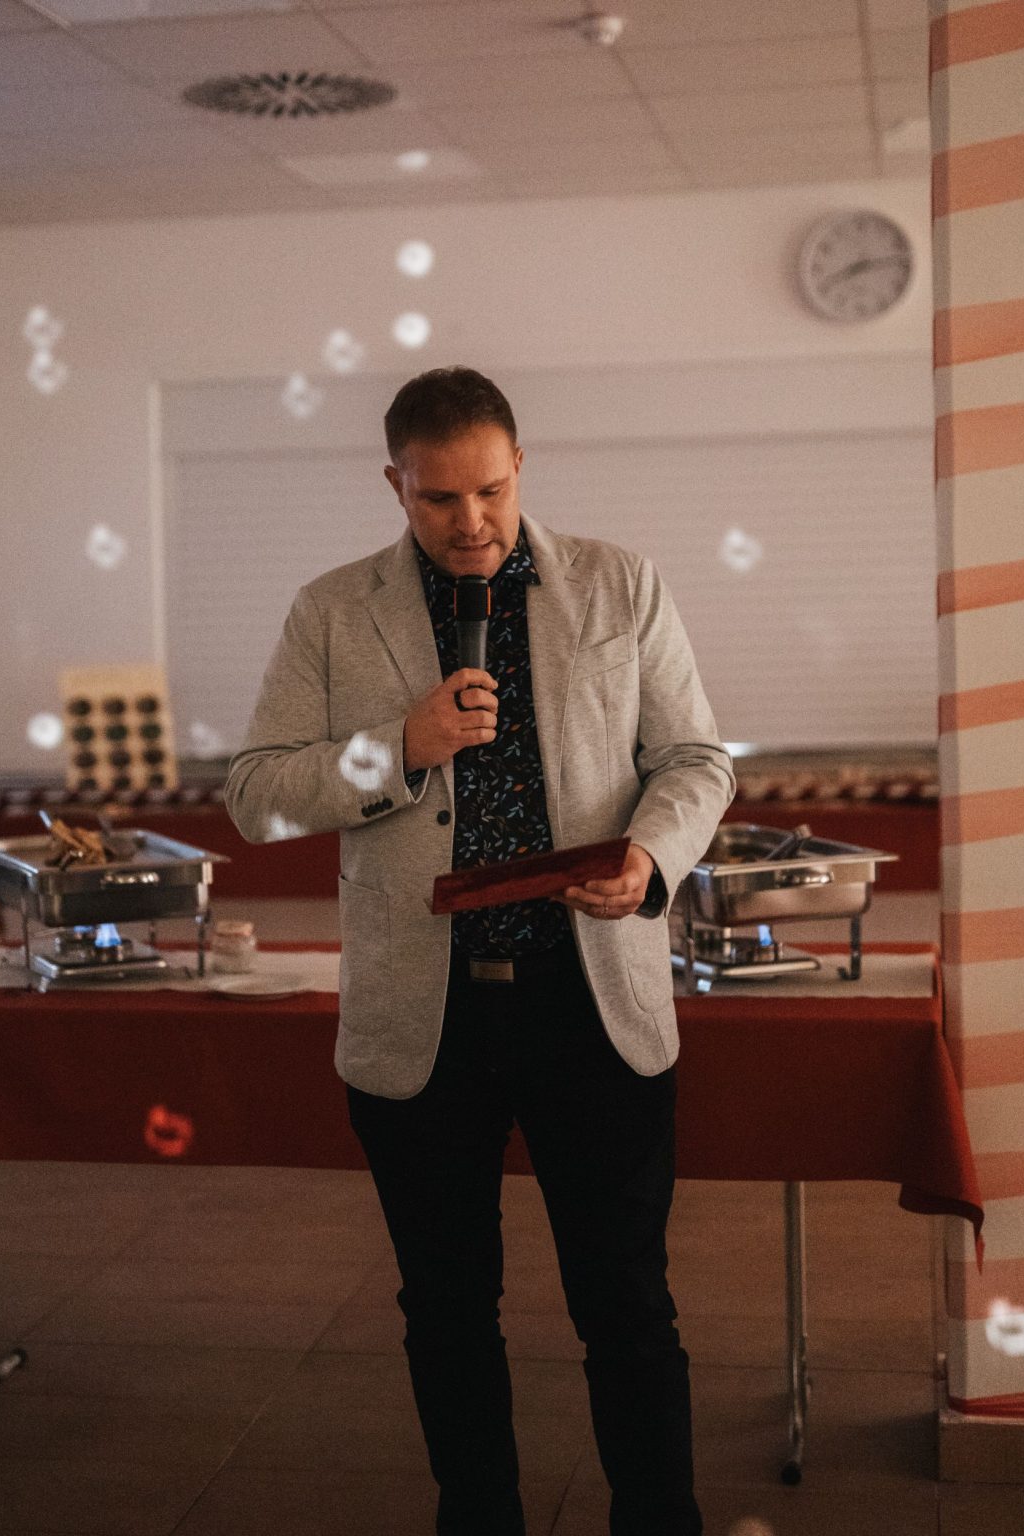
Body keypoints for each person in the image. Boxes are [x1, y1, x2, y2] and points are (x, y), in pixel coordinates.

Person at [226, 367, 734, 1536]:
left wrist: (650, 859)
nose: (471, 521)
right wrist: (397, 746)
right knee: (447, 1310)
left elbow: (696, 762)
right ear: (394, 484)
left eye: (491, 491)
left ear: (520, 469)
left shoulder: (619, 584)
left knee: (628, 1305)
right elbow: (256, 795)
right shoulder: (332, 612)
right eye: (439, 498)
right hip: (426, 1015)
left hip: (590, 1003)